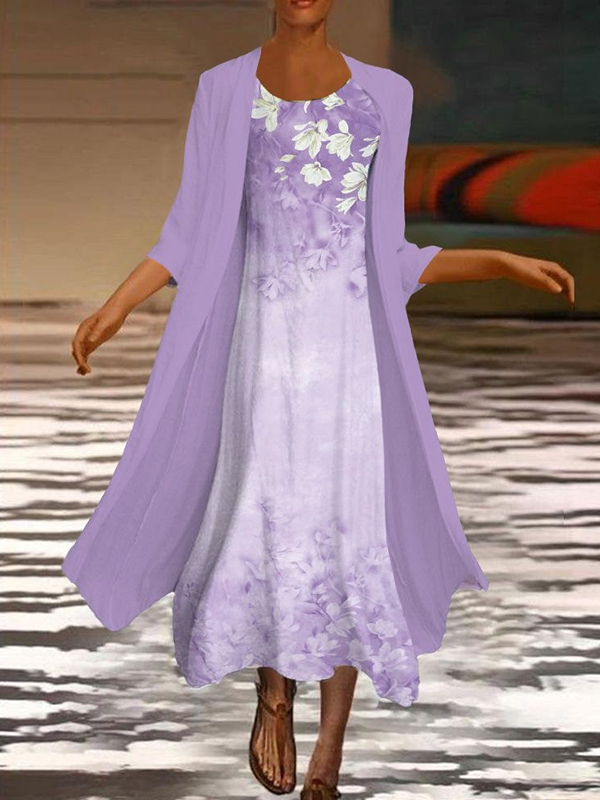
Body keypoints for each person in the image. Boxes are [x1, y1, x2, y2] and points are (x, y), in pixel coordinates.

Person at [69, 2, 574, 798]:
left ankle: (328, 759)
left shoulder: (386, 95)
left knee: (347, 527)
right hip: (260, 344)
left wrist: (498, 261)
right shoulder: (224, 89)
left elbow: (388, 253)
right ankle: (275, 691)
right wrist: (118, 305)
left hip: (350, 353)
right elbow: (190, 230)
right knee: (268, 510)